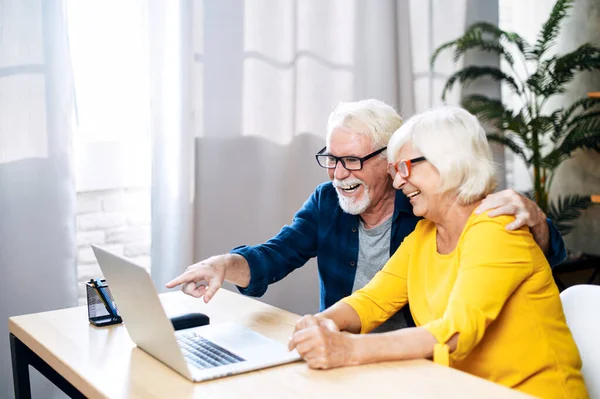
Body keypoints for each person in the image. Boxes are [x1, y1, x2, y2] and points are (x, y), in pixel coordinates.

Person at [166, 99, 566, 332]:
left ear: (391, 163)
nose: (339, 174)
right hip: (355, 350)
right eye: (331, 159)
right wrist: (224, 265)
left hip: (420, 361)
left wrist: (536, 222)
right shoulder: (329, 203)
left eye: (353, 161)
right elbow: (278, 255)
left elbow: (513, 255)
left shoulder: (433, 207)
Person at [288, 106, 586, 398]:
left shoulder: (497, 229)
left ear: (448, 163)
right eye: (394, 170)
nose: (397, 181)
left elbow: (455, 333)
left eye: (405, 168)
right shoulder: (424, 235)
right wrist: (323, 322)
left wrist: (348, 349)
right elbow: (371, 300)